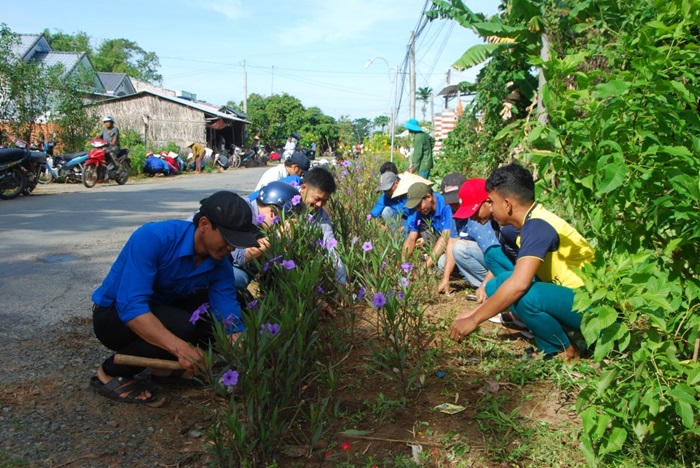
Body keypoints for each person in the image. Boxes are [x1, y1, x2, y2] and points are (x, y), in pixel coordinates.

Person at [90, 191, 260, 404]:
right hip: (114, 317)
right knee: (181, 326)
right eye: (228, 239)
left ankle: (163, 370)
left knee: (236, 300)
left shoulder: (219, 263)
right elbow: (132, 308)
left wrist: (247, 357)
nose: (232, 248)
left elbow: (228, 315)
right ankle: (110, 373)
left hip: (162, 308)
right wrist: (182, 348)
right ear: (205, 224)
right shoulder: (153, 238)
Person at [450, 163, 595, 361]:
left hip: (592, 307)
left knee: (524, 294)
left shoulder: (538, 226)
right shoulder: (531, 223)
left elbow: (519, 285)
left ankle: (562, 351)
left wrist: (475, 319)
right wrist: (472, 313)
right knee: (506, 281)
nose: (490, 208)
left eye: (491, 202)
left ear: (507, 204)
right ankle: (557, 343)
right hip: (574, 300)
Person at [231, 181, 306, 290]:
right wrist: (279, 236)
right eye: (283, 221)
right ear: (272, 213)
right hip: (202, 265)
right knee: (239, 278)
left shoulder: (259, 221)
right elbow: (240, 257)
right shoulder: (239, 211)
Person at [402, 182, 457, 270]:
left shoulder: (446, 207)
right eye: (415, 207)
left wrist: (425, 268)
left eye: (419, 205)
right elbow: (411, 239)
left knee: (442, 262)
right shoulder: (421, 210)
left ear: (429, 197)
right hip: (437, 237)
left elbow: (445, 238)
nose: (418, 209)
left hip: (453, 241)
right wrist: (403, 263)